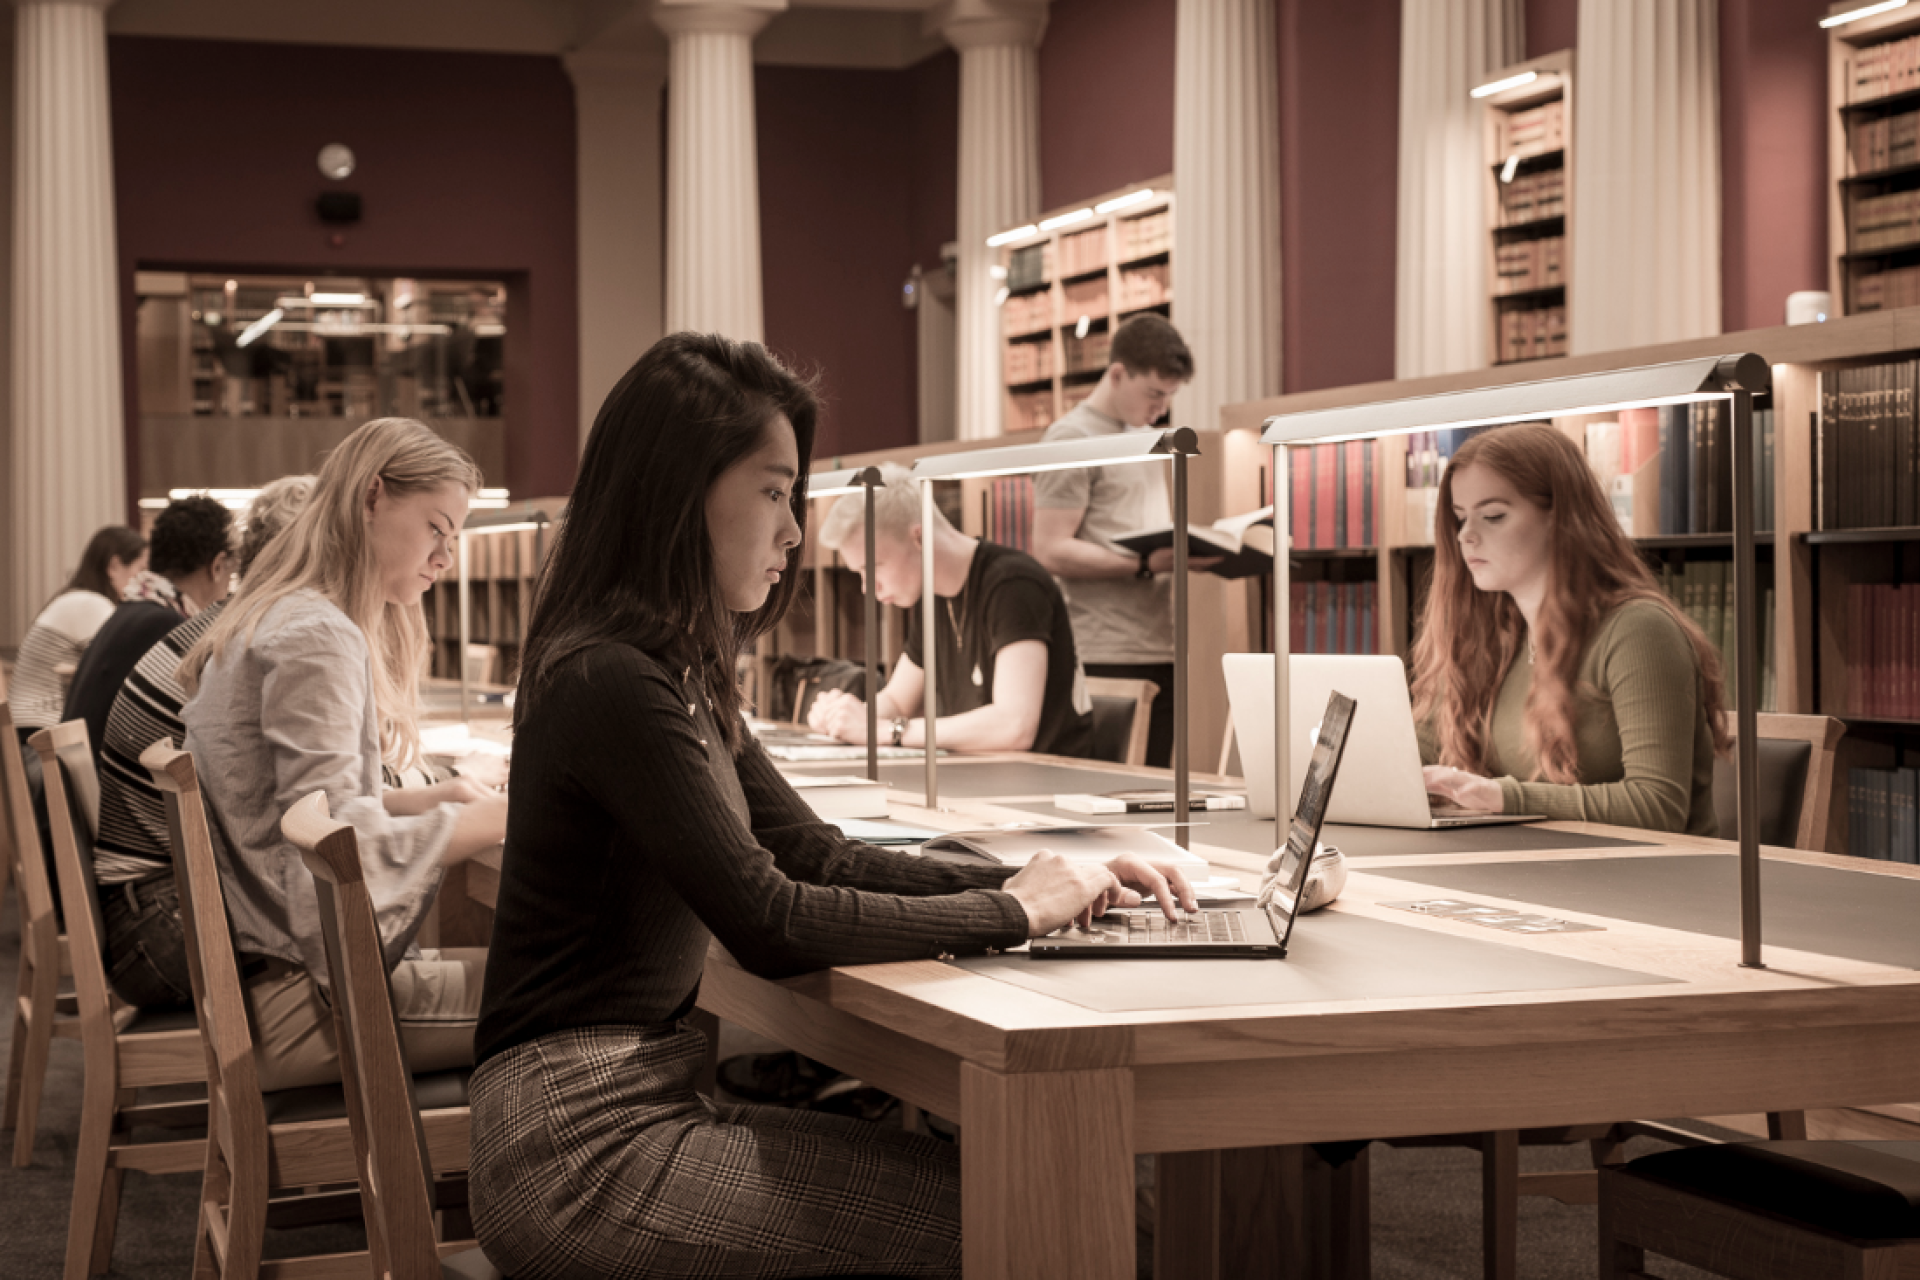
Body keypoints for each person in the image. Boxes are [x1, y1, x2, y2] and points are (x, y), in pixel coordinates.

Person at [468, 332, 1195, 1280]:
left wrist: (1024, 878)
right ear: (677, 488)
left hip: (624, 1109)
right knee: (1052, 1209)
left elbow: (813, 851)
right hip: (575, 1151)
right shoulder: (614, 679)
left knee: (1060, 1199)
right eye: (773, 492)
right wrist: (1014, 912)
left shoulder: (672, 668)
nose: (795, 530)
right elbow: (769, 920)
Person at [180, 419, 508, 1090]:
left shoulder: (280, 613)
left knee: (550, 966)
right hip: (306, 1004)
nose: (446, 557)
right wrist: (521, 812)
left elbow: (307, 807)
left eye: (456, 539)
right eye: (437, 529)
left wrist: (432, 798)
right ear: (373, 497)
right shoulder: (317, 635)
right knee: (602, 990)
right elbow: (336, 846)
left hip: (268, 979)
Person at [1413, 423, 1729, 835]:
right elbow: (1417, 757)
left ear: (1560, 519)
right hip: (1538, 872)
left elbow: (1659, 806)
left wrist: (1504, 797)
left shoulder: (1639, 631)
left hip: (1653, 884)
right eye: (1460, 518)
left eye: (1493, 516)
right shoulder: (1486, 639)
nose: (1467, 536)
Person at [90, 477, 312, 1011]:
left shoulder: (225, 623)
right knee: (366, 948)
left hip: (144, 911)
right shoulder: (248, 641)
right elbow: (306, 797)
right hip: (162, 925)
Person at [807, 463, 1095, 757]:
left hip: (1047, 784)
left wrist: (891, 730)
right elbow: (897, 699)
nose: (869, 588)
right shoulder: (931, 595)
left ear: (918, 537)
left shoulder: (1013, 585)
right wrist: (844, 716)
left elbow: (1014, 726)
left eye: (873, 568)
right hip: (981, 777)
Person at [1030, 314, 1212, 767]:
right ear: (1117, 374)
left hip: (1158, 641)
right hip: (1105, 648)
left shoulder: (1146, 437)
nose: (1161, 408)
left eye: (1170, 397)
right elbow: (1051, 547)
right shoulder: (1071, 438)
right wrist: (1148, 564)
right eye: (1154, 394)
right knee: (1113, 795)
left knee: (1155, 791)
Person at [64, 495, 236, 755]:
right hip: (109, 790)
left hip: (86, 782)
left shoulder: (137, 608)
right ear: (218, 566)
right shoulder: (168, 624)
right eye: (231, 575)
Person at [9, 525, 147, 739]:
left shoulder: (74, 598)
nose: (143, 582)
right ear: (114, 566)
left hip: (32, 736)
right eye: (140, 570)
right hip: (43, 742)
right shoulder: (89, 604)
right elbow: (124, 670)